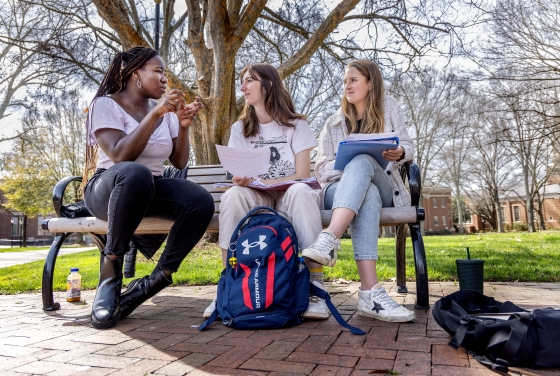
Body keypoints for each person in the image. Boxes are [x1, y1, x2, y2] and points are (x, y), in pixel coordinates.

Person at [84, 47, 215, 329]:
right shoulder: (105, 105)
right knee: (135, 172)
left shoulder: (166, 114)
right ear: (136, 74)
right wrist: (156, 114)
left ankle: (152, 284)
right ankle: (110, 276)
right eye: (158, 71)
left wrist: (182, 125)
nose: (165, 78)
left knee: (200, 200)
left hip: (149, 190)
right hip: (108, 189)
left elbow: (179, 161)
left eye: (165, 72)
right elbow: (120, 155)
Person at [203, 63, 328, 319]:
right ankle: (227, 283)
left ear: (268, 85)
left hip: (288, 195)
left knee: (303, 192)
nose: (243, 86)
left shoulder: (296, 125)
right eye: (242, 81)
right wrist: (240, 179)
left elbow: (303, 174)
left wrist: (269, 182)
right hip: (256, 195)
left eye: (250, 80)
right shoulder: (240, 129)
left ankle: (315, 286)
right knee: (233, 196)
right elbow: (238, 173)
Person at [302, 60, 416, 322]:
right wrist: (350, 165)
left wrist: (399, 153)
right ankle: (369, 293)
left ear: (370, 82)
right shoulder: (333, 122)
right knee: (365, 182)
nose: (347, 85)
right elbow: (321, 169)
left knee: (365, 165)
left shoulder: (390, 108)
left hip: (385, 184)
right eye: (345, 81)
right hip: (337, 192)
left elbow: (408, 147)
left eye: (353, 80)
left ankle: (329, 239)